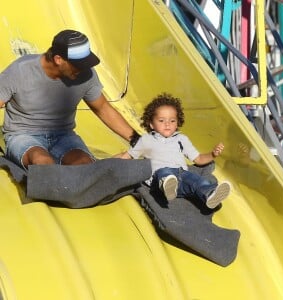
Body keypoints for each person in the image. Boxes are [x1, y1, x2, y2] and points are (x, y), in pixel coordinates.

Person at [0, 29, 136, 169]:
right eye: (78, 65)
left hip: (63, 136)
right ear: (58, 59)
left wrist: (137, 140)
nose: (83, 69)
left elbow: (103, 109)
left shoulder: (86, 74)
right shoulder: (21, 70)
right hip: (23, 134)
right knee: (42, 162)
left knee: (83, 164)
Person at [117, 93, 231, 209]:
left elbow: (198, 159)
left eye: (172, 121)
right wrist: (109, 164)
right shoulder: (146, 140)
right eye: (161, 120)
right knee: (165, 172)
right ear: (151, 124)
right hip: (158, 177)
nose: (167, 124)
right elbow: (129, 155)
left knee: (198, 181)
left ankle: (210, 194)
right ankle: (166, 185)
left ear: (177, 123)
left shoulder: (182, 139)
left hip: (182, 174)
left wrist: (212, 154)